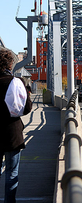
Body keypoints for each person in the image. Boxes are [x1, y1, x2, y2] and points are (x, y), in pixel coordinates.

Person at [0, 48, 32, 203]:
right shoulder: (16, 82)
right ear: (10, 63)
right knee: (12, 173)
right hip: (12, 134)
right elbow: (26, 109)